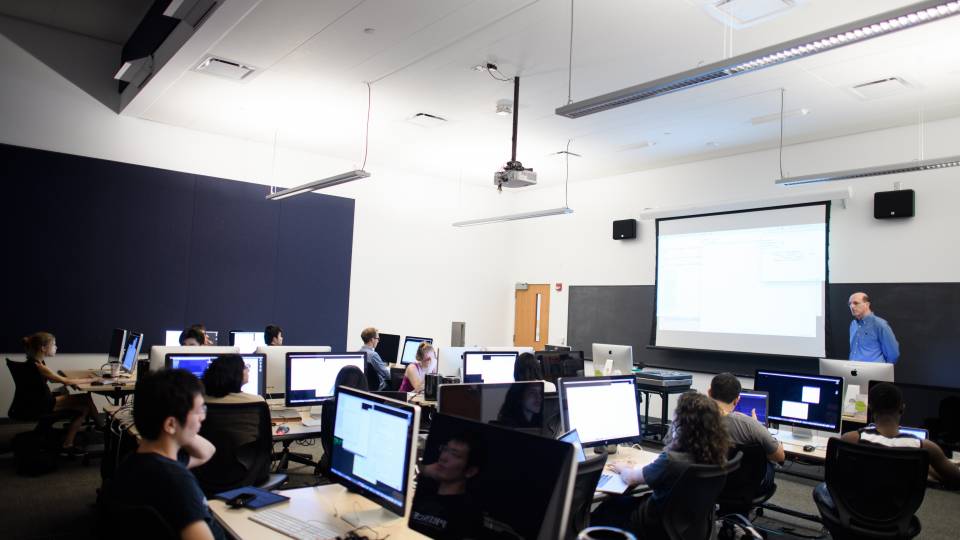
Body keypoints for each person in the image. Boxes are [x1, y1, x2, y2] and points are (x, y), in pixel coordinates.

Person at [592, 391, 731, 540]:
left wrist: (622, 468)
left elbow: (631, 478)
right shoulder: (717, 456)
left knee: (606, 508)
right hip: (690, 527)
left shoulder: (671, 460)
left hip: (651, 524)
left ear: (683, 424)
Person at [104, 369, 221, 539]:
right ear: (170, 424)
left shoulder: (134, 463)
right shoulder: (176, 481)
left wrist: (180, 428)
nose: (203, 417)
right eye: (198, 411)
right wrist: (179, 427)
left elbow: (206, 452)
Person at [839, 382, 960, 488]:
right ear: (902, 408)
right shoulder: (925, 448)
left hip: (857, 510)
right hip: (901, 513)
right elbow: (955, 478)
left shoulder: (851, 439)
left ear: (870, 407)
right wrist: (925, 466)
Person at [21, 332, 99, 457]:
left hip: (37, 401)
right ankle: (68, 445)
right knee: (84, 404)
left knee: (85, 400)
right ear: (43, 348)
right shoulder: (39, 366)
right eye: (54, 344)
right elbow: (65, 381)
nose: (56, 347)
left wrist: (80, 379)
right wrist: (91, 380)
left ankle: (100, 427)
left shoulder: (35, 362)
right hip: (44, 403)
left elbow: (53, 379)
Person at [708, 373, 784, 492]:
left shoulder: (692, 418)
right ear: (737, 399)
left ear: (709, 392)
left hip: (707, 484)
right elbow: (779, 456)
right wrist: (758, 426)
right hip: (745, 487)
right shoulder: (750, 425)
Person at [410, 430, 485, 538]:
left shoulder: (468, 513)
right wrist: (424, 470)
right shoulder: (424, 491)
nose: (443, 458)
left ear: (470, 471)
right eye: (445, 450)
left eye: (455, 455)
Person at [318, 365, 368, 475]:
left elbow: (328, 440)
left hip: (335, 459)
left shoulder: (330, 405)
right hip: (360, 463)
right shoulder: (369, 409)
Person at [848, 292, 900, 364]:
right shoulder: (853, 324)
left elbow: (893, 354)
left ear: (867, 304)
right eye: (850, 304)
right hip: (854, 371)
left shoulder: (880, 325)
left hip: (873, 372)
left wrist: (881, 369)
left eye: (856, 303)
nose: (852, 306)